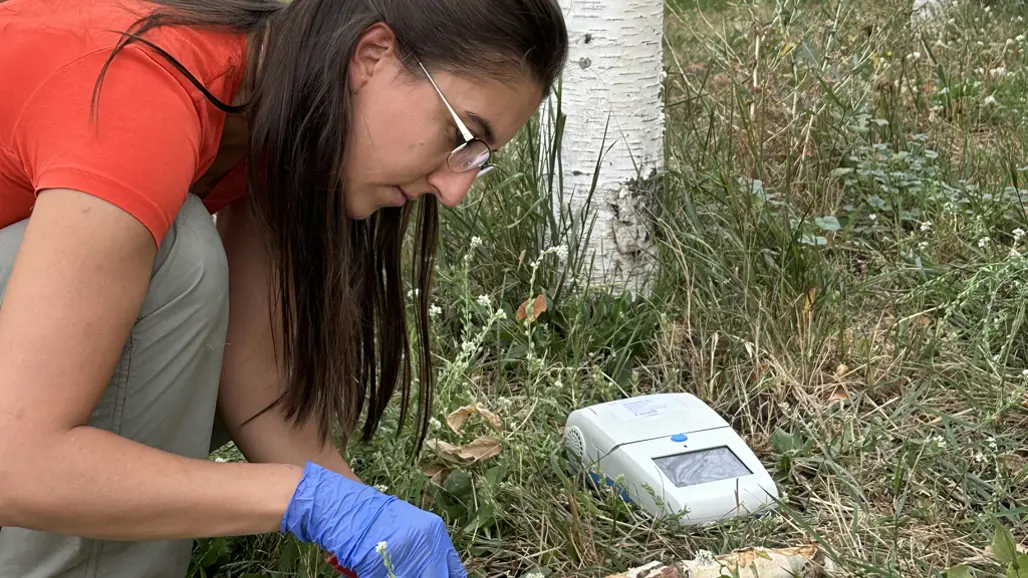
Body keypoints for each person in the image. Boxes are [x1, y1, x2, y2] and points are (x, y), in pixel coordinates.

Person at [0, 0, 568, 575]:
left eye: (478, 159)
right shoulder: (141, 92)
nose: (454, 190)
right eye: (461, 135)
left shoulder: (270, 107)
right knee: (180, 259)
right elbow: (17, 464)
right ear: (372, 56)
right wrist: (306, 502)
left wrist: (368, 525)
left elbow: (251, 374)